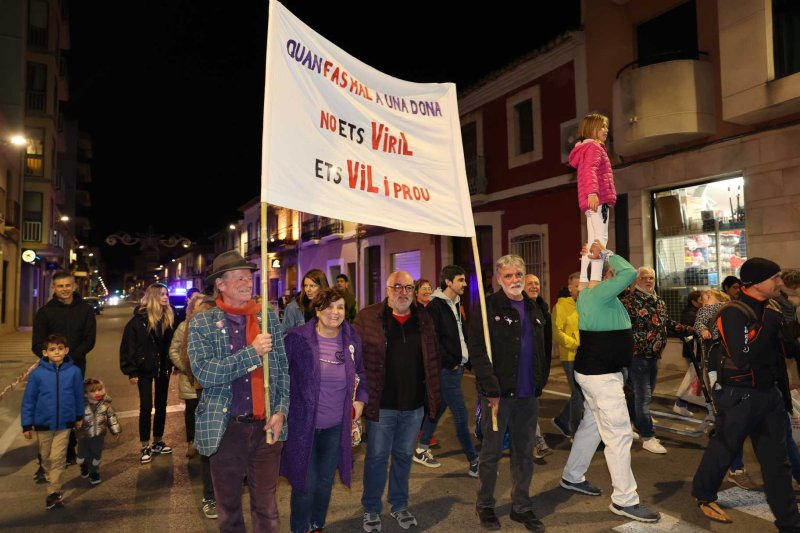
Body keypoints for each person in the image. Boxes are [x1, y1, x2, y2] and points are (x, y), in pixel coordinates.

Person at [692, 258, 800, 529]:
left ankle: (789, 522)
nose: (779, 282)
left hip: (769, 395)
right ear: (755, 283)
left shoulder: (773, 308)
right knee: (723, 449)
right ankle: (704, 494)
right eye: (774, 278)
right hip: (739, 396)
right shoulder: (734, 312)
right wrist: (769, 327)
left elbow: (785, 353)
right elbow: (742, 355)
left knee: (778, 463)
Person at [559, 242, 660, 523]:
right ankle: (625, 500)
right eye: (607, 272)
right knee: (619, 434)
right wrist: (604, 253)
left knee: (592, 427)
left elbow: (618, 278)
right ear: (605, 276)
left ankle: (572, 476)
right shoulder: (598, 293)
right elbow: (629, 272)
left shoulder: (598, 295)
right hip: (600, 376)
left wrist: (592, 260)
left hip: (602, 373)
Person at [188, 250, 289, 532]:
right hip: (226, 429)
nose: (248, 282)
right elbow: (205, 374)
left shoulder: (268, 316)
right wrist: (252, 353)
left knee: (267, 508)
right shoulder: (202, 323)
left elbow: (281, 368)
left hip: (266, 428)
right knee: (229, 509)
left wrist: (281, 411)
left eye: (250, 277)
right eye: (240, 277)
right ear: (220, 284)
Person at [355, 270, 441, 532]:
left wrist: (433, 397)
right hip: (382, 406)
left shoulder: (423, 319)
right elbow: (355, 360)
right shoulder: (368, 317)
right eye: (397, 287)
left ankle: (399, 505)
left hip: (414, 406)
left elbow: (433, 358)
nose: (403, 292)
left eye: (408, 288)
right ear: (387, 289)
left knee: (404, 457)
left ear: (414, 292)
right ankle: (371, 509)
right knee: (377, 458)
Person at [470, 255, 550, 532]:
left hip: (528, 395)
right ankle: (486, 505)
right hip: (498, 396)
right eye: (508, 276)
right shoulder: (487, 307)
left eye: (519, 274)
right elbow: (478, 352)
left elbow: (545, 347)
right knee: (491, 452)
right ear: (498, 279)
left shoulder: (536, 308)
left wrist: (541, 380)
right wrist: (490, 388)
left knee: (524, 453)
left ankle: (522, 506)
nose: (515, 280)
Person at [282, 287, 368, 533]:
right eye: (329, 306)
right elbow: (281, 377)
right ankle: (299, 528)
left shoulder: (352, 339)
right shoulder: (298, 338)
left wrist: (360, 401)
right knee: (305, 484)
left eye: (340, 307)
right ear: (317, 310)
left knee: (324, 483)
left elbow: (362, 373)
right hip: (303, 427)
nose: (335, 312)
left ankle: (317, 524)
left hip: (336, 427)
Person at [414, 265, 479, 475]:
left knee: (439, 408)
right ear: (448, 282)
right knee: (460, 414)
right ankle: (474, 461)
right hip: (446, 369)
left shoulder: (456, 303)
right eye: (461, 280)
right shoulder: (435, 306)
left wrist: (468, 358)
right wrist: (450, 361)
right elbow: (432, 341)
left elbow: (460, 334)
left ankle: (422, 448)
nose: (465, 284)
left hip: (457, 367)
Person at [621, 267, 692, 454]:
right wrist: (639, 344)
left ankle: (630, 424)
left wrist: (688, 330)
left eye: (651, 277)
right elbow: (624, 330)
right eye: (644, 277)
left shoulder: (658, 300)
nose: (648, 280)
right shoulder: (629, 302)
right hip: (638, 357)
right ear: (636, 281)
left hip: (654, 356)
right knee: (643, 397)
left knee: (639, 395)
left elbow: (665, 323)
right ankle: (648, 437)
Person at [32, 270, 96, 469]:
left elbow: (89, 340)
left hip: (76, 367)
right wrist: (54, 358)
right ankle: (45, 454)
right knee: (51, 406)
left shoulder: (85, 310)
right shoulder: (44, 313)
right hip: (51, 370)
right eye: (60, 286)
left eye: (68, 285)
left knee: (72, 405)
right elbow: (37, 344)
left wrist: (70, 359)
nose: (65, 289)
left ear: (74, 286)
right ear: (54, 288)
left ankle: (69, 447)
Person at [21, 334, 84, 510]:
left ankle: (53, 492)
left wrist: (78, 417)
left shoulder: (74, 372)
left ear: (66, 351)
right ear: (45, 353)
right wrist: (27, 424)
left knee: (58, 458)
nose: (56, 352)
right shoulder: (37, 375)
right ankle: (52, 480)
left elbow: (79, 396)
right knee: (46, 458)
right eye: (52, 349)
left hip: (65, 424)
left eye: (60, 348)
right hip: (43, 425)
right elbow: (29, 400)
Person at [120, 282, 176, 464]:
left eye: (166, 294)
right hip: (144, 369)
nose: (166, 297)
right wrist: (131, 371)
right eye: (162, 294)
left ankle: (158, 441)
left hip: (162, 368)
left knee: (161, 405)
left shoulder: (168, 317)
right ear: (153, 297)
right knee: (146, 406)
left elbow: (171, 345)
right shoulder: (139, 320)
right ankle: (145, 445)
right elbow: (129, 346)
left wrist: (171, 363)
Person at [176, 293, 219, 519]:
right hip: (205, 391)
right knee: (210, 447)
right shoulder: (194, 325)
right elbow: (187, 359)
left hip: (224, 392)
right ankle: (209, 496)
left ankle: (219, 493)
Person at [570, 113, 616, 283]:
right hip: (599, 199)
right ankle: (595, 279)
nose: (606, 130)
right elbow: (591, 170)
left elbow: (587, 170)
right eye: (602, 126)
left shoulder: (585, 149)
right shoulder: (595, 148)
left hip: (591, 201)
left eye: (606, 126)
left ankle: (584, 279)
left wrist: (590, 194)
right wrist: (593, 193)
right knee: (600, 239)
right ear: (592, 129)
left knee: (591, 240)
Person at [169, 291, 207, 459]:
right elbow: (174, 350)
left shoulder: (213, 326)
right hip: (190, 379)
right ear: (191, 308)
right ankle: (192, 442)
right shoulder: (184, 327)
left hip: (207, 379)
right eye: (199, 306)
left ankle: (205, 441)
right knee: (191, 411)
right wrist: (186, 367)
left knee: (206, 411)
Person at [524, 273, 556, 459]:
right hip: (523, 369)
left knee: (526, 407)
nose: (534, 286)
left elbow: (546, 342)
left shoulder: (542, 308)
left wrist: (544, 369)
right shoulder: (520, 308)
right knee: (529, 407)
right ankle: (537, 442)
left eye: (537, 283)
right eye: (530, 283)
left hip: (537, 367)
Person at [551, 272, 584, 438]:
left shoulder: (584, 304)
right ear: (570, 288)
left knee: (580, 393)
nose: (580, 289)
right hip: (570, 357)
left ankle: (562, 420)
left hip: (585, 355)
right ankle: (576, 433)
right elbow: (556, 332)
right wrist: (575, 344)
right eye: (577, 285)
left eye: (582, 285)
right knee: (578, 394)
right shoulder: (560, 306)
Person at [76, 377, 121, 486]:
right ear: (85, 394)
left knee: (96, 454)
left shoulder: (106, 406)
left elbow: (112, 418)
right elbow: (74, 418)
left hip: (99, 436)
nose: (97, 393)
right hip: (84, 436)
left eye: (99, 390)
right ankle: (83, 464)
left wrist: (116, 431)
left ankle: (93, 472)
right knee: (82, 454)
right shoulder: (80, 407)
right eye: (93, 391)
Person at [674, 290, 704, 416]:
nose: (703, 301)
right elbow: (689, 333)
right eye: (701, 299)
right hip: (693, 351)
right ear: (693, 302)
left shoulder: (695, 312)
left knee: (694, 378)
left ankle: (684, 403)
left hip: (695, 351)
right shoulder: (691, 314)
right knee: (692, 378)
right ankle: (680, 403)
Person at [282, 269, 329, 337]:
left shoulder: (329, 305)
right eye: (305, 286)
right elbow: (284, 335)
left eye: (312, 286)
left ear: (321, 286)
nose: (308, 290)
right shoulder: (294, 307)